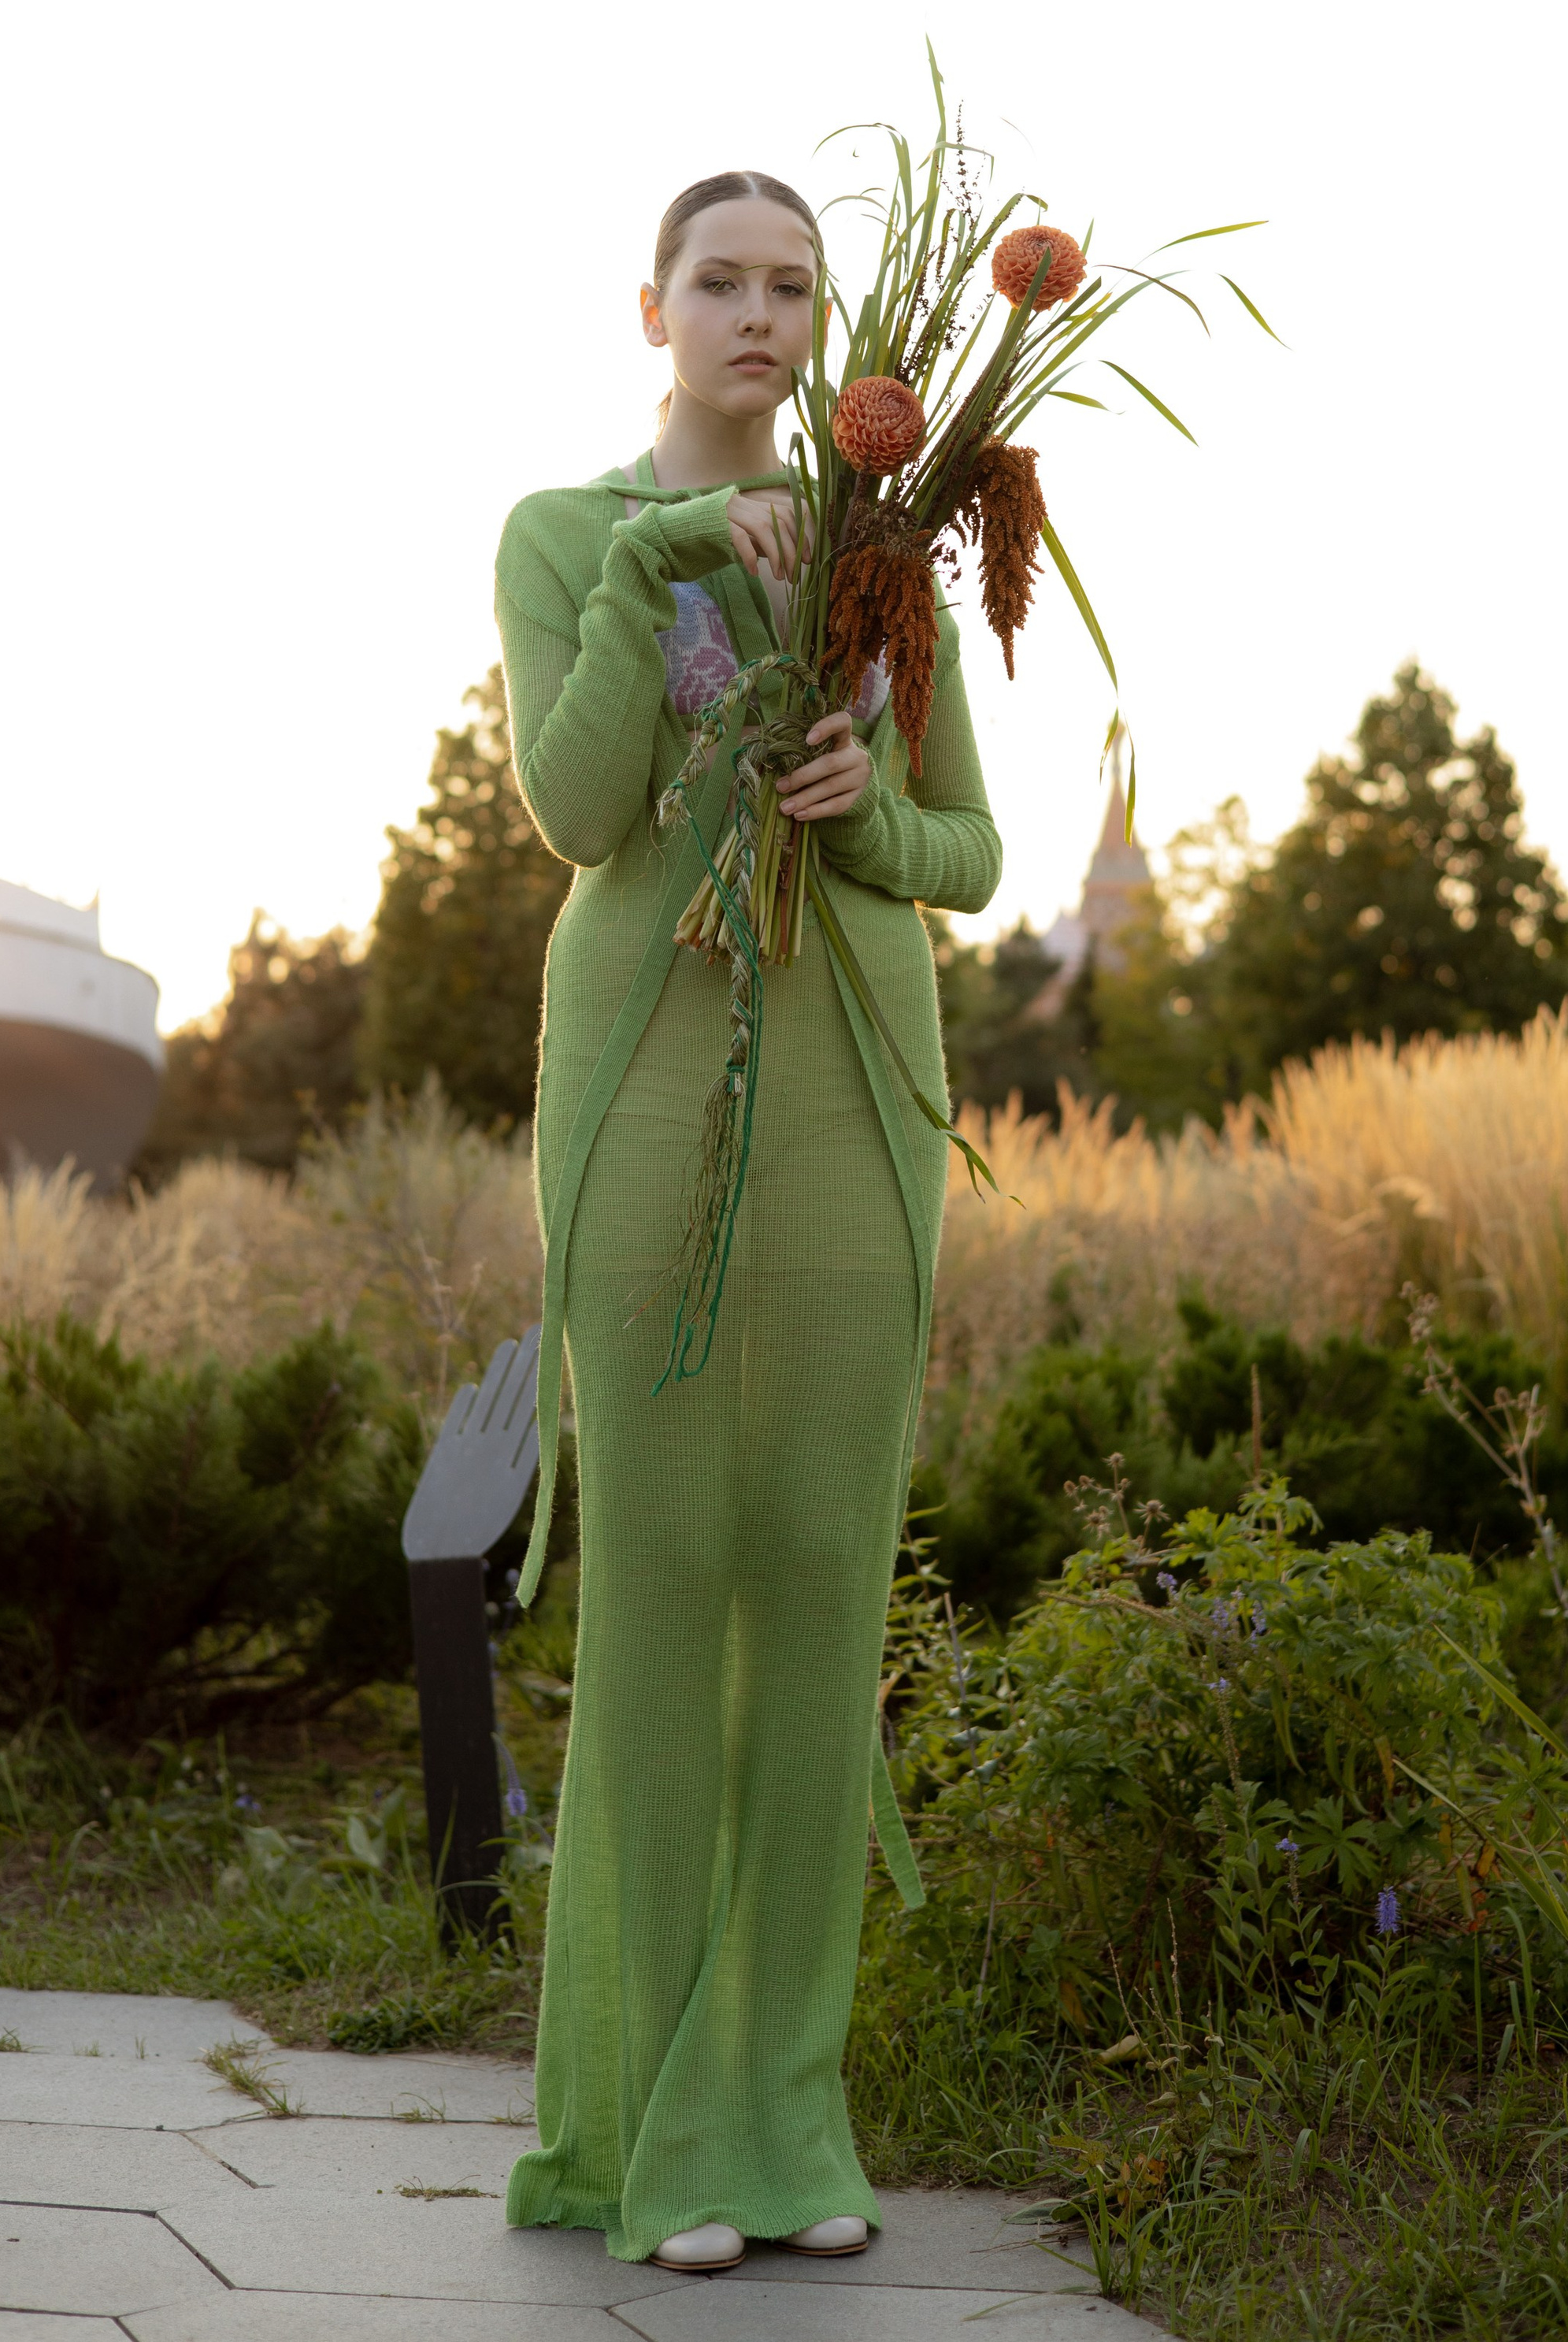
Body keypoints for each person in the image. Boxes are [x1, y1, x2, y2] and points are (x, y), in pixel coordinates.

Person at [496, 169, 1000, 2273]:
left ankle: (785, 2112)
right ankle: (653, 2128)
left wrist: (863, 814)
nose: (760, 313)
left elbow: (969, 848)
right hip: (641, 1083)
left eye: (794, 284)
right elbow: (577, 807)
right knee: (661, 1579)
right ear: (655, 308)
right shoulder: (566, 536)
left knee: (816, 1585)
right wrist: (670, 565)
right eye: (721, 279)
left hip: (856, 1094)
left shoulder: (892, 552)